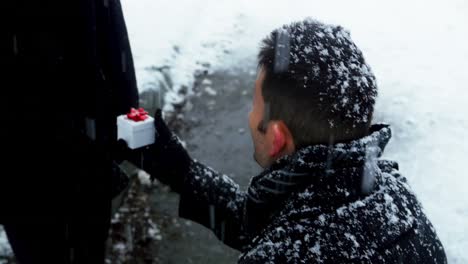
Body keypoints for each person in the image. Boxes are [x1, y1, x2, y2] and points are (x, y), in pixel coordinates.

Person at [142, 19, 447, 263]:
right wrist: (181, 170)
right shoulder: (396, 201)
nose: (250, 117)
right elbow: (272, 223)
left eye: (254, 106)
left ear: (276, 138)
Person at [1, 1, 138, 263]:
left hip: (78, 151)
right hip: (27, 157)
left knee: (78, 247)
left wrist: (125, 121)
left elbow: (112, 38)